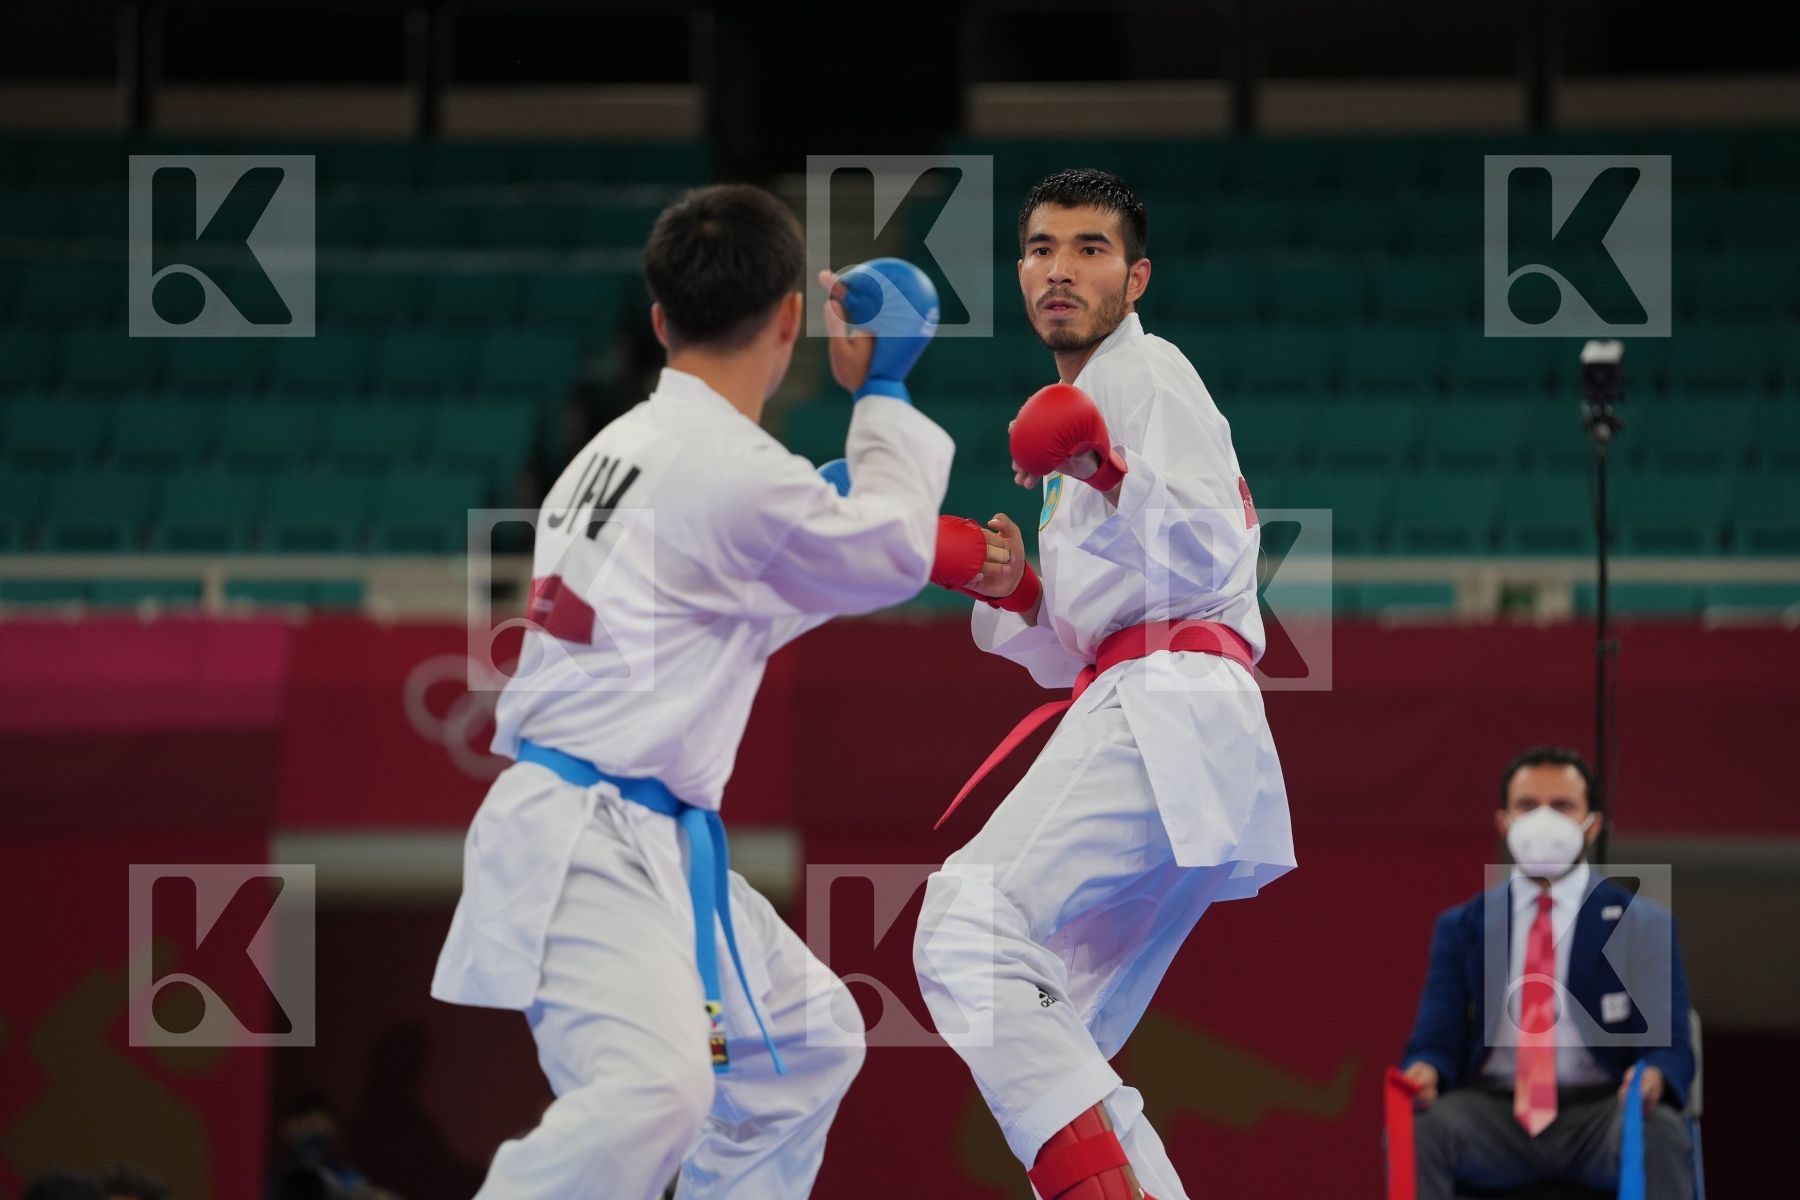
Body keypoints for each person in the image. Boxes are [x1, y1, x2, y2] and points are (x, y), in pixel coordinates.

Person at [431, 183, 956, 1199]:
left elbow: (734, 599)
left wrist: (832, 498)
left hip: (641, 832)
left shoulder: (616, 450)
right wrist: (883, 391)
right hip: (589, 834)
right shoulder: (729, 470)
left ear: (662, 319)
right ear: (794, 318)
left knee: (804, 1046)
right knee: (653, 1094)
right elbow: (889, 555)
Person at [912, 167, 1295, 1200]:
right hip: (1162, 704)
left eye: (1090, 249)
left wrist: (1108, 470)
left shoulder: (1145, 374)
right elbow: (1083, 640)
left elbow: (1216, 549)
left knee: (964, 925)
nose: (1060, 270)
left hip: (1171, 697)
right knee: (1052, 1029)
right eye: (1040, 248)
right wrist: (1019, 588)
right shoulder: (1090, 403)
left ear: (1138, 276)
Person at [1399, 746, 1695, 1199]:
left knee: (1661, 1130)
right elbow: (1434, 1042)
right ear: (1504, 821)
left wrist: (1652, 1077)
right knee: (1421, 1129)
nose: (1543, 820)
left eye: (1562, 806)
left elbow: (1669, 1047)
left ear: (1591, 824)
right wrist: (1424, 1072)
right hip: (1495, 1113)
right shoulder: (1462, 926)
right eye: (1527, 805)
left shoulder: (1642, 923)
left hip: (1601, 1115)